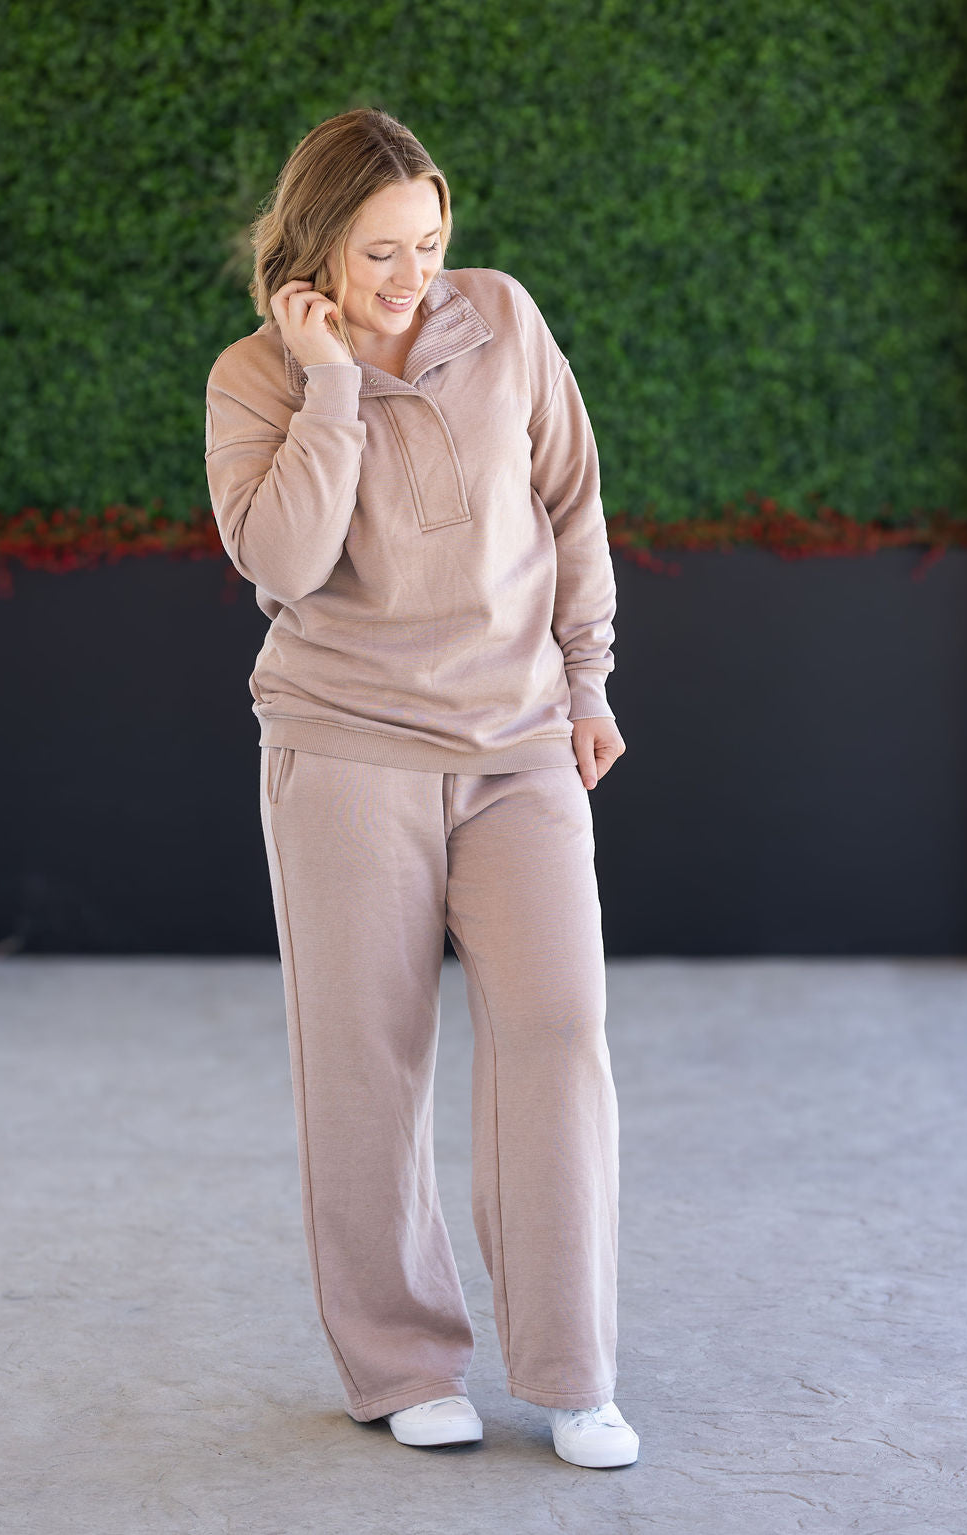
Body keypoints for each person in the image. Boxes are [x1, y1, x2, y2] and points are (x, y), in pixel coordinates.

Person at [204, 106, 637, 1471]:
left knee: (560, 1032)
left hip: (518, 745)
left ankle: (573, 1371)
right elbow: (282, 559)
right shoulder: (254, 380)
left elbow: (571, 501)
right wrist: (331, 383)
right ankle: (400, 1364)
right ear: (317, 243)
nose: (413, 276)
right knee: (366, 1061)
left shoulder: (502, 318)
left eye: (430, 243)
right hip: (345, 749)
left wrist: (588, 682)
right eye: (381, 250)